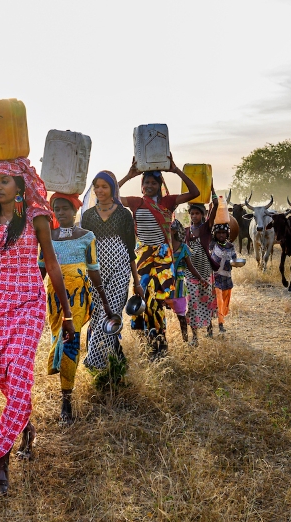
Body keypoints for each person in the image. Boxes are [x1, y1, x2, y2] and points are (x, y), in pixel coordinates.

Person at [0, 157, 75, 497]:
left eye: (4, 181)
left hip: (28, 303)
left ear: (20, 186)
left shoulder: (37, 219)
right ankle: (24, 424)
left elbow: (52, 266)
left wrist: (67, 315)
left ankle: (1, 463)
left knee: (21, 371)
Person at [40, 192, 112, 426]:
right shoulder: (47, 236)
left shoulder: (86, 236)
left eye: (64, 208)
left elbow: (93, 270)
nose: (60, 213)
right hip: (53, 298)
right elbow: (41, 269)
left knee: (71, 341)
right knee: (57, 338)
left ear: (74, 210)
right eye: (56, 209)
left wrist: (104, 300)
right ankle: (65, 389)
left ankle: (66, 399)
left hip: (79, 298)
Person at [118, 155, 200, 359]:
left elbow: (195, 192)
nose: (149, 186)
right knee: (142, 297)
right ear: (142, 185)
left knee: (156, 299)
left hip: (163, 258)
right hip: (144, 256)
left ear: (160, 184)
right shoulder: (136, 203)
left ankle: (159, 345)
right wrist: (129, 175)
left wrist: (176, 170)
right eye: (146, 182)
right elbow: (109, 196)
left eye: (153, 182)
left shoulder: (168, 202)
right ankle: (148, 342)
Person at [80, 171, 144, 371]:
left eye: (104, 186)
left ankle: (94, 361)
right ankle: (114, 361)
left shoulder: (124, 214)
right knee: (99, 315)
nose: (99, 190)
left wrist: (136, 281)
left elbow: (130, 250)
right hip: (96, 272)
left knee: (112, 313)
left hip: (120, 269)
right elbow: (85, 248)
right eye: (96, 186)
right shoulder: (88, 216)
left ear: (113, 189)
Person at [168, 220, 211, 345]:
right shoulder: (165, 247)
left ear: (175, 231)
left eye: (168, 229)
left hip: (179, 287)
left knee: (181, 317)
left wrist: (201, 278)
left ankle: (185, 341)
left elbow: (191, 267)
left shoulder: (183, 248)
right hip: (165, 286)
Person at [185, 203, 218, 343]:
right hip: (190, 273)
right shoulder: (186, 231)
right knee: (192, 304)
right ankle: (194, 337)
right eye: (192, 214)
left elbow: (214, 209)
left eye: (197, 213)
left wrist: (213, 193)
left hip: (205, 272)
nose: (194, 216)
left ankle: (209, 328)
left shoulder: (206, 229)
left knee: (207, 300)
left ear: (203, 215)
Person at [209, 222, 238, 334]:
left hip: (227, 279)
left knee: (225, 304)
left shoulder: (230, 247)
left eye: (223, 233)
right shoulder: (212, 245)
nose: (221, 235)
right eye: (219, 233)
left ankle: (221, 321)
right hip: (215, 279)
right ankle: (215, 326)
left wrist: (235, 263)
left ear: (227, 234)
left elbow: (234, 259)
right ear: (215, 234)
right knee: (218, 302)